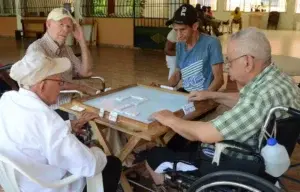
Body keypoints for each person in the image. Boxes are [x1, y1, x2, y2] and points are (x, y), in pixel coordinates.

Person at [145, 27, 300, 187]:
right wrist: (212, 95)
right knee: (181, 139)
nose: (227, 66)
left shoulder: (260, 98)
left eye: (230, 60)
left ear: (247, 62)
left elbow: (205, 133)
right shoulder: (280, 80)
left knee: (155, 156)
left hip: (233, 164)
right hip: (265, 160)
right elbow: (245, 100)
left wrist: (168, 118)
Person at [0, 52, 121, 192]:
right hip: (47, 186)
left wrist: (69, 125)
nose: (60, 88)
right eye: (59, 82)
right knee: (112, 164)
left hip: (17, 183)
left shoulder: (7, 100)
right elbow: (89, 166)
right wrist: (97, 150)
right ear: (42, 85)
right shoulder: (47, 118)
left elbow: (34, 134)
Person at [26, 8, 99, 118]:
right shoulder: (37, 50)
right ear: (48, 24)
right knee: (99, 116)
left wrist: (81, 40)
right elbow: (50, 84)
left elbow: (86, 72)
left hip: (72, 100)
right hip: (52, 108)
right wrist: (84, 88)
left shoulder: (66, 49)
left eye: (69, 26)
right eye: (61, 24)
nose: (65, 30)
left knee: (108, 113)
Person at [166, 4, 224, 93]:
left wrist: (205, 96)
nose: (178, 35)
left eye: (182, 30)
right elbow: (178, 74)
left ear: (195, 26)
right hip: (186, 93)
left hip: (204, 95)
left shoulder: (211, 43)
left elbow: (219, 80)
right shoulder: (180, 45)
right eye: (176, 30)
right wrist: (163, 88)